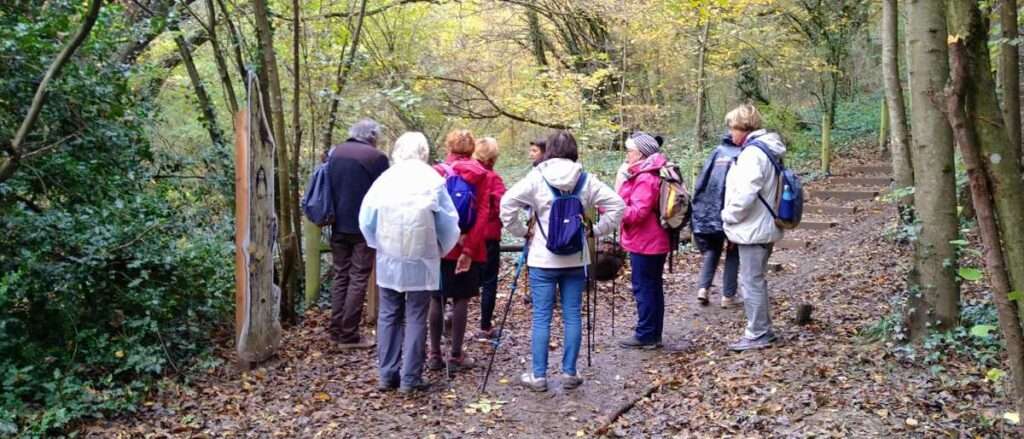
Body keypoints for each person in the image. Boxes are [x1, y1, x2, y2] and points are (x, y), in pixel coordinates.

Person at [501, 130, 624, 392]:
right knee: (572, 315)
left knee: (541, 317)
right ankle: (569, 372)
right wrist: (596, 230)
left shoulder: (537, 177)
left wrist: (522, 232)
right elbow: (617, 205)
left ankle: (538, 376)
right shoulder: (586, 179)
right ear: (574, 151)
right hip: (576, 258)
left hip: (542, 259)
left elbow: (507, 204)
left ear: (549, 151)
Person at [358, 132, 461, 393]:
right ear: (424, 152)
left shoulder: (385, 180)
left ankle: (387, 374)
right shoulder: (432, 180)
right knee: (416, 314)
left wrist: (378, 243)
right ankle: (410, 376)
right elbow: (449, 223)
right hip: (422, 256)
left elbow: (366, 220)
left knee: (389, 313)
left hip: (389, 255)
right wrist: (440, 248)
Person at [721, 104, 786, 351]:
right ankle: (762, 329)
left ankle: (758, 332)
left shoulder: (752, 154)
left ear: (744, 127)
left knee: (751, 281)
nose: (730, 133)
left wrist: (728, 215)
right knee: (755, 279)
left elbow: (746, 193)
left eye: (733, 128)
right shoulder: (767, 149)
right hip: (762, 225)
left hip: (753, 228)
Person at [428, 130, 492, 371]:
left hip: (440, 246)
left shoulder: (436, 172)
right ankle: (456, 355)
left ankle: (434, 354)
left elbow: (430, 210)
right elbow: (483, 214)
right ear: (472, 149)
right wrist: (468, 248)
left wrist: (441, 238)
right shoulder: (482, 175)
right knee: (461, 299)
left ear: (449, 146)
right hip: (467, 246)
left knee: (436, 297)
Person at [327, 119, 390, 348]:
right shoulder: (376, 158)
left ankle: (335, 330)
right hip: (364, 227)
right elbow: (386, 192)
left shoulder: (336, 153)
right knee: (358, 277)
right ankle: (348, 334)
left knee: (341, 275)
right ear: (372, 136)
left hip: (337, 224)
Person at [616, 132, 670, 349]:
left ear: (640, 154)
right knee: (653, 286)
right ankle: (653, 333)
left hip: (646, 241)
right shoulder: (653, 172)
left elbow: (637, 213)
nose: (627, 155)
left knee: (645, 288)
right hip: (655, 239)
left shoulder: (645, 177)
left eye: (630, 151)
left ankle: (646, 334)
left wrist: (613, 209)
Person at [691, 133, 743, 308]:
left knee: (713, 250)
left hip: (710, 211)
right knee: (733, 252)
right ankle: (728, 296)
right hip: (731, 211)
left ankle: (703, 289)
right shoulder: (745, 154)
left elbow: (702, 182)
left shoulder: (717, 152)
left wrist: (699, 208)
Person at [473, 137, 507, 339]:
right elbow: (503, 206)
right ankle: (485, 326)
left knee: (462, 278)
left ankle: (451, 317)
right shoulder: (493, 178)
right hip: (488, 235)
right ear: (493, 157)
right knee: (489, 281)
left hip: (465, 235)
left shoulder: (464, 174)